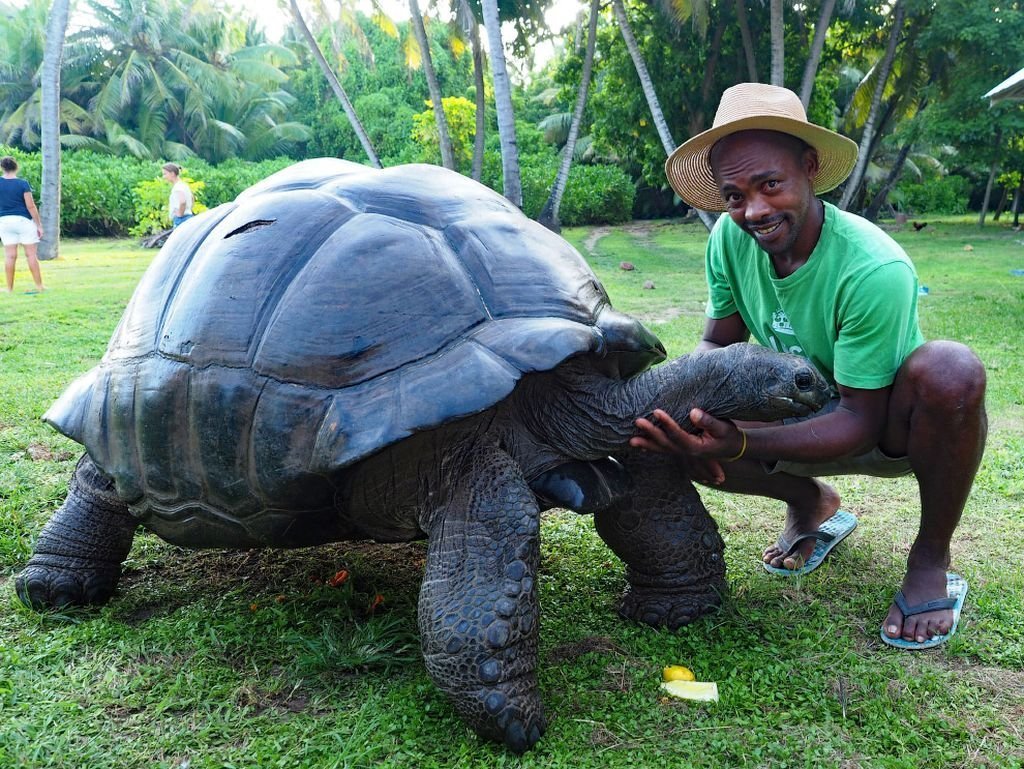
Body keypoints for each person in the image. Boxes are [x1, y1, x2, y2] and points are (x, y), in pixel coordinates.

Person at [632, 83, 987, 650]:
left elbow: (859, 420)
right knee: (675, 428)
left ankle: (929, 559)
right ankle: (810, 503)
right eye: (734, 195)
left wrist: (739, 441)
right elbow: (716, 345)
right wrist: (680, 411)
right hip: (792, 414)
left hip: (885, 428)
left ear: (810, 168)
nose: (754, 211)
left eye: (770, 184)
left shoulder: (871, 267)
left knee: (951, 370)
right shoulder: (729, 238)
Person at [0, 155, 46, 294]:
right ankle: (39, 286)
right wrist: (39, 225)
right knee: (31, 255)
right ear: (16, 167)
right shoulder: (23, 183)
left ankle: (9, 288)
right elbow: (31, 206)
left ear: (2, 168)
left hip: (4, 222)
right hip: (23, 221)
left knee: (9, 256)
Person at [162, 162, 194, 228]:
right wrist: (189, 209)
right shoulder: (184, 185)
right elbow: (192, 198)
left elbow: (182, 201)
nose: (164, 177)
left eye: (165, 174)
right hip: (189, 216)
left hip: (182, 219)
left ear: (172, 173)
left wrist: (180, 214)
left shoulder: (177, 187)